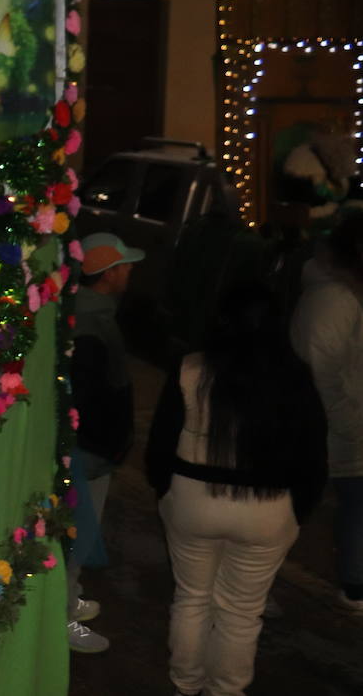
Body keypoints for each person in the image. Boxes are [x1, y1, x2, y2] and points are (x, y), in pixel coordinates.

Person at [148, 281, 327, 696]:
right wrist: (299, 510)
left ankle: (185, 684)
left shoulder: (190, 367)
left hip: (193, 497)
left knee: (192, 597)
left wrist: (165, 490)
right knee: (242, 613)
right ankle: (226, 690)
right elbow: (313, 456)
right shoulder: (295, 376)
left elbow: (160, 442)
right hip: (268, 508)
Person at [67, 231, 144, 653]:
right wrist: (105, 443)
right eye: (125, 265)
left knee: (76, 530)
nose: (130, 271)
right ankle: (60, 617)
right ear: (107, 273)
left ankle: (68, 596)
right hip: (89, 447)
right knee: (76, 532)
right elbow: (91, 393)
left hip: (92, 445)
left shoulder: (95, 312)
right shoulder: (92, 322)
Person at [291, 212, 363, 614]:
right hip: (328, 428)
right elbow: (321, 368)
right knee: (297, 509)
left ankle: (355, 584)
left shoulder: (346, 294)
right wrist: (350, 420)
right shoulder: (333, 299)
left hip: (341, 425)